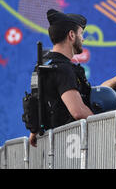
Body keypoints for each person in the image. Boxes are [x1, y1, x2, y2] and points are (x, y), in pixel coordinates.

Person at [28, 9, 94, 147]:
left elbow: (38, 102)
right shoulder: (63, 68)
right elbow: (78, 111)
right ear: (71, 35)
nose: (83, 39)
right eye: (81, 34)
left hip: (50, 146)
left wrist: (34, 131)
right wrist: (104, 124)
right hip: (69, 147)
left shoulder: (43, 66)